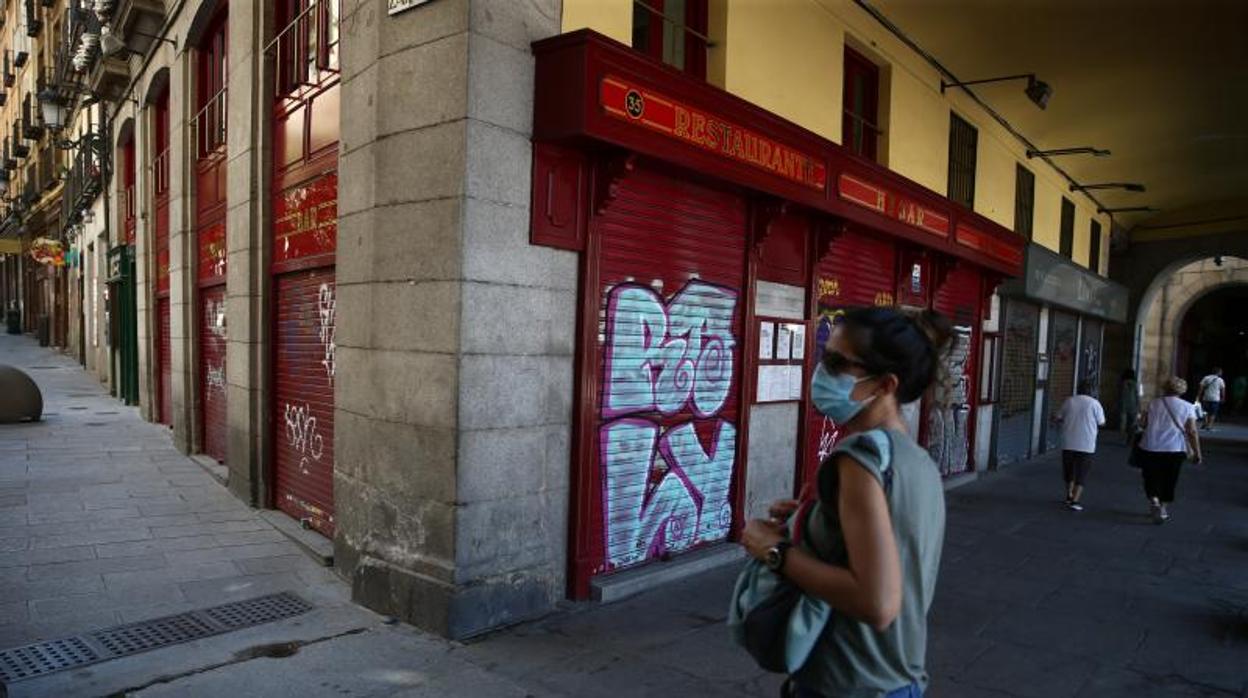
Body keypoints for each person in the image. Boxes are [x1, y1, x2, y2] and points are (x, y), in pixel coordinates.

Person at [742, 307, 950, 698]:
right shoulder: (915, 460)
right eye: (825, 356)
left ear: (885, 384)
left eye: (838, 363)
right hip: (896, 679)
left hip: (846, 682)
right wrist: (814, 520)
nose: (822, 371)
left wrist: (771, 549)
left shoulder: (859, 459)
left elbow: (877, 601)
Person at [1136, 376, 1202, 523]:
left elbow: (1142, 423)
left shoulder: (1153, 403)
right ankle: (1163, 508)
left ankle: (1154, 499)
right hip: (1175, 449)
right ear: (1182, 390)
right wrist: (1197, 452)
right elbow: (1192, 431)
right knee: (1170, 478)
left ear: (1165, 388)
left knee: (1151, 476)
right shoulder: (1187, 407)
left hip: (1150, 446)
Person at [1054, 380, 1106, 511]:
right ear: (1092, 391)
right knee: (1081, 473)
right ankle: (1075, 500)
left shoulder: (1069, 401)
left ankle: (1068, 495)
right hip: (1087, 444)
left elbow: (1058, 416)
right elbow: (1102, 423)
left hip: (1069, 442)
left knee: (1069, 471)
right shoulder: (1095, 404)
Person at [1118, 369, 1140, 444]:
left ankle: (1122, 438)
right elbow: (1137, 396)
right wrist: (1138, 406)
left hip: (1123, 404)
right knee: (1132, 424)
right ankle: (1130, 439)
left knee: (1122, 423)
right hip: (1133, 405)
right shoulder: (1135, 384)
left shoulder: (1122, 383)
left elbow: (1119, 395)